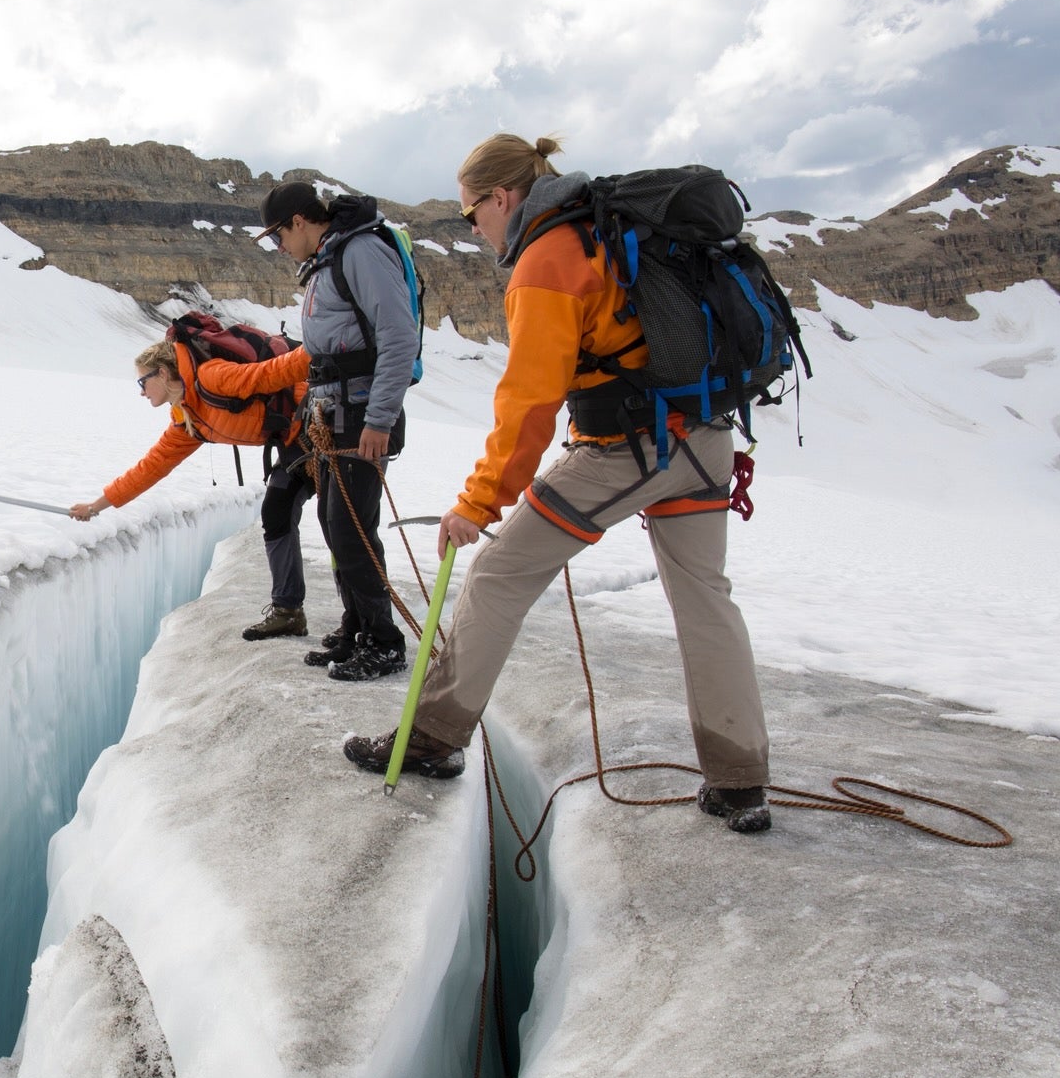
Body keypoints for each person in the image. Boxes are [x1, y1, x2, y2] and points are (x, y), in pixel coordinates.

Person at [343, 134, 774, 834]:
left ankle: (430, 740)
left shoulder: (546, 258)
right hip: (705, 438)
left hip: (631, 447)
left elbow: (528, 405)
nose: (473, 229)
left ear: (500, 198)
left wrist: (477, 503)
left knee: (496, 575)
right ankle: (740, 781)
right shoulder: (599, 231)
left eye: (469, 214)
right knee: (704, 599)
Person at [256, 182, 420, 681]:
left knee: (352, 529)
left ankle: (383, 641)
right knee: (336, 524)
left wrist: (380, 420)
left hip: (361, 414)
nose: (279, 247)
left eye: (278, 236)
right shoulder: (329, 260)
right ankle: (357, 628)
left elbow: (398, 336)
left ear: (299, 222)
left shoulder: (361, 252)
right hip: (334, 414)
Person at [70, 337, 316, 641]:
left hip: (320, 422)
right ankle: (289, 612)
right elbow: (151, 467)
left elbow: (271, 373)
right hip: (297, 441)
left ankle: (362, 622)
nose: (141, 393)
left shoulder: (213, 378)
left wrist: (323, 343)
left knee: (340, 524)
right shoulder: (190, 419)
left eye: (143, 383)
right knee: (277, 512)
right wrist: (96, 506)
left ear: (162, 372)